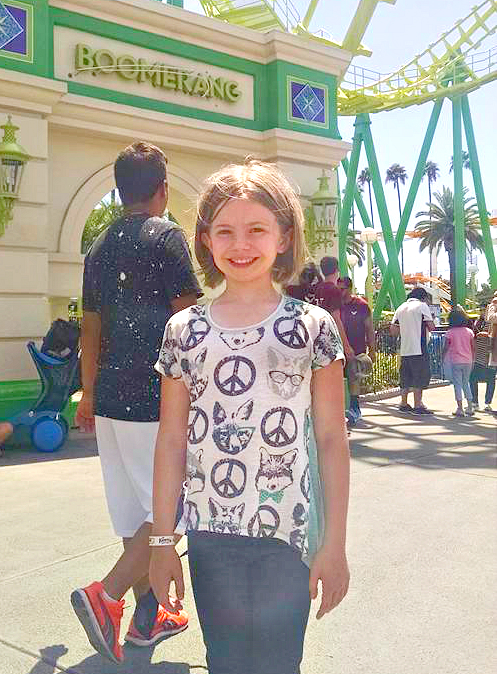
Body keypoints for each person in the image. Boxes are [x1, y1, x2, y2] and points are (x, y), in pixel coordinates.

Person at [149, 159, 350, 674]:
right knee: (226, 661)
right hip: (210, 536)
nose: (240, 245)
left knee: (281, 663)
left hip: (289, 534)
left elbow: (331, 439)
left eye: (257, 229)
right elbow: (171, 440)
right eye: (225, 231)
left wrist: (335, 544)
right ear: (206, 240)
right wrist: (162, 542)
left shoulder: (312, 327)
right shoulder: (183, 331)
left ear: (284, 237)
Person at [71, 142, 201, 664]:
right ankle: (106, 595)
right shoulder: (167, 237)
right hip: (158, 397)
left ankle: (150, 618)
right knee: (170, 507)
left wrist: (87, 393)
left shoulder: (98, 247)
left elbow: (90, 326)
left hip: (109, 396)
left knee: (134, 513)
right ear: (163, 190)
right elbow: (188, 321)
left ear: (119, 189)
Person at [390, 287, 435, 414]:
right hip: (419, 348)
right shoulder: (422, 306)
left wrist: (406, 329)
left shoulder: (400, 308)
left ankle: (403, 404)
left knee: (405, 377)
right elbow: (431, 327)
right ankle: (417, 405)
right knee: (419, 377)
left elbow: (393, 330)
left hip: (405, 349)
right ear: (423, 297)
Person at [337, 276, 375, 423]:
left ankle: (354, 408)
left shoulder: (361, 305)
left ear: (349, 288)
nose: (340, 292)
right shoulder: (335, 305)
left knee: (353, 378)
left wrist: (372, 350)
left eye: (343, 289)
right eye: (338, 289)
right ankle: (340, 410)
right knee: (338, 380)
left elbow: (369, 329)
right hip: (338, 352)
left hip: (357, 351)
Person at [443, 308, 475, 417]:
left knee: (457, 384)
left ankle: (460, 408)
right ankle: (470, 407)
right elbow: (473, 347)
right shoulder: (469, 331)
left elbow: (446, 347)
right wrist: (473, 359)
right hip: (468, 361)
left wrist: (442, 358)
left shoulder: (450, 332)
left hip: (456, 361)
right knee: (466, 383)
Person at [469, 317, 496, 412]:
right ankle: (474, 402)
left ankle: (487, 403)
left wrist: (487, 335)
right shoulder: (478, 321)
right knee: (473, 379)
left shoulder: (494, 320)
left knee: (491, 380)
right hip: (477, 356)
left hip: (490, 355)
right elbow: (473, 335)